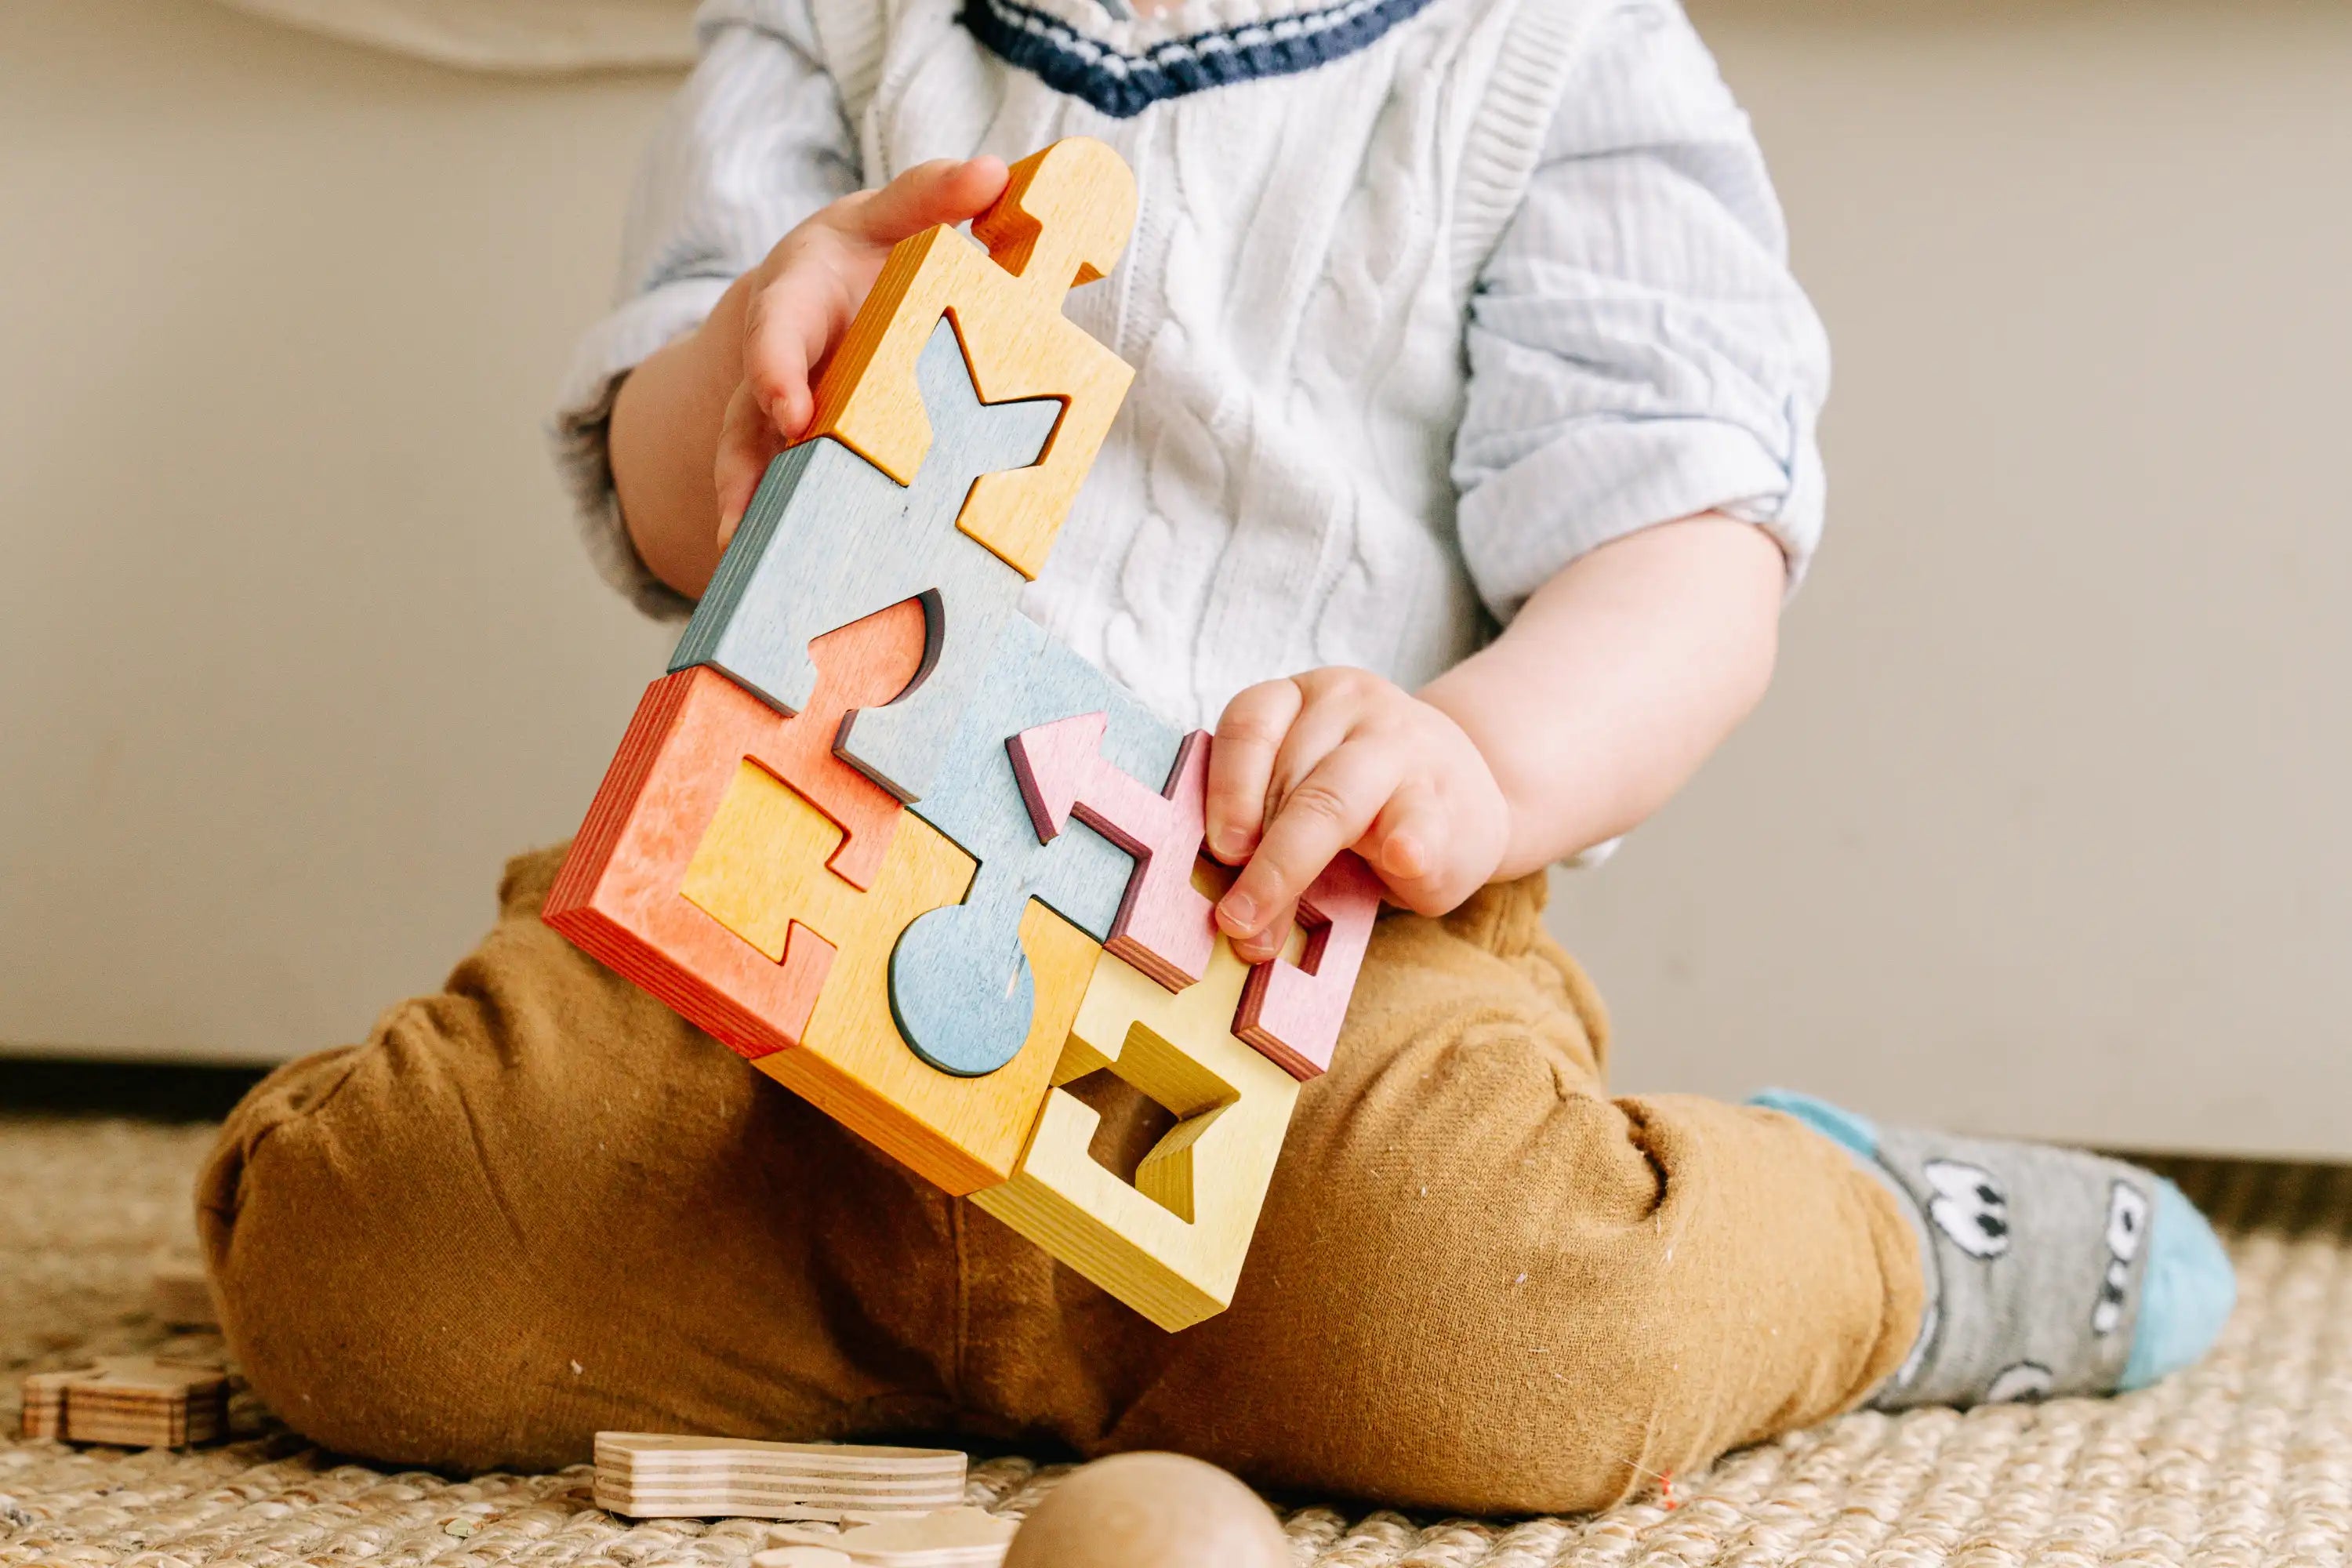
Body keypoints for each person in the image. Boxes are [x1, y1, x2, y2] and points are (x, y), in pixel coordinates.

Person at [198, 0, 2234, 1515]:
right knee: (370, 1269)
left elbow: (1686, 557)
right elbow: (668, 497)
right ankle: (958, 1328)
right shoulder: (839, 27)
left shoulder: (1549, 54)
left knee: (1502, 1321)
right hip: (802, 924)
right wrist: (738, 377)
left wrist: (1472, 763)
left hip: (1299, 966)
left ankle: (1859, 1237)